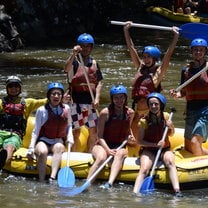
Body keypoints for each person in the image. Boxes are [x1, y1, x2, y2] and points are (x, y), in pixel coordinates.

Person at [123, 22, 179, 140]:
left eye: (149, 57)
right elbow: (131, 49)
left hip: (150, 114)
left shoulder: (157, 75)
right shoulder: (140, 67)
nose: (146, 59)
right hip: (138, 113)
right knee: (134, 141)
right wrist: (126, 31)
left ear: (154, 59)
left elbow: (168, 56)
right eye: (144, 56)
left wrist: (175, 37)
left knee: (148, 139)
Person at [133, 92, 182, 197]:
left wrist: (171, 126)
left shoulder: (167, 116)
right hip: (149, 149)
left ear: (161, 105)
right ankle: (135, 192)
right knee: (145, 168)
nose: (153, 106)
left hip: (164, 149)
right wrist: (155, 145)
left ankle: (177, 191)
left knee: (170, 162)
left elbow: (172, 134)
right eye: (151, 104)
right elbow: (139, 141)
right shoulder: (143, 121)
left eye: (156, 104)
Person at [86, 84, 135, 188]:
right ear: (112, 99)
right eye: (116, 98)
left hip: (119, 145)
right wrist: (108, 150)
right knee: (101, 157)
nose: (119, 100)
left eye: (121, 97)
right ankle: (87, 183)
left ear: (125, 98)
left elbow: (128, 129)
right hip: (102, 144)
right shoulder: (105, 113)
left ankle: (109, 183)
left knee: (120, 154)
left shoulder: (130, 113)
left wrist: (130, 137)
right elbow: (100, 136)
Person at [27, 82, 73, 182]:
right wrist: (31, 148)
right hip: (43, 140)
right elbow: (36, 131)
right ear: (49, 96)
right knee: (43, 152)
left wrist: (70, 136)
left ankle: (52, 178)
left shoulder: (67, 108)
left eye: (59, 94)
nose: (56, 96)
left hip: (57, 140)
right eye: (53, 94)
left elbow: (69, 125)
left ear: (61, 96)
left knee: (59, 147)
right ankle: (42, 180)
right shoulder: (42, 110)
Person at [64, 33, 103, 153]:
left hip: (90, 103)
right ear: (79, 47)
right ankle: (74, 154)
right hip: (76, 102)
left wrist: (97, 99)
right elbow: (66, 68)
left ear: (91, 48)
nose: (85, 49)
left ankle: (90, 153)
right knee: (76, 131)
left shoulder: (94, 63)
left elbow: (99, 82)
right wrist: (73, 54)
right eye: (82, 46)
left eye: (88, 46)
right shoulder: (74, 62)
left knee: (93, 131)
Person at [170, 38, 208, 156]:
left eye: (201, 50)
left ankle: (200, 173)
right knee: (188, 146)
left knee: (195, 142)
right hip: (190, 109)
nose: (198, 52)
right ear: (191, 52)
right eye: (195, 50)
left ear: (205, 52)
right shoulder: (186, 70)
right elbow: (184, 92)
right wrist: (176, 95)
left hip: (205, 109)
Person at [0, 76, 46, 170]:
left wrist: (63, 96)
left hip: (15, 135)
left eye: (16, 86)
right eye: (11, 86)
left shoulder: (27, 103)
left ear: (20, 88)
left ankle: (3, 161)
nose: (13, 89)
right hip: (0, 132)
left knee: (9, 147)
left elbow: (45, 101)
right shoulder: (1, 103)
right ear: (7, 89)